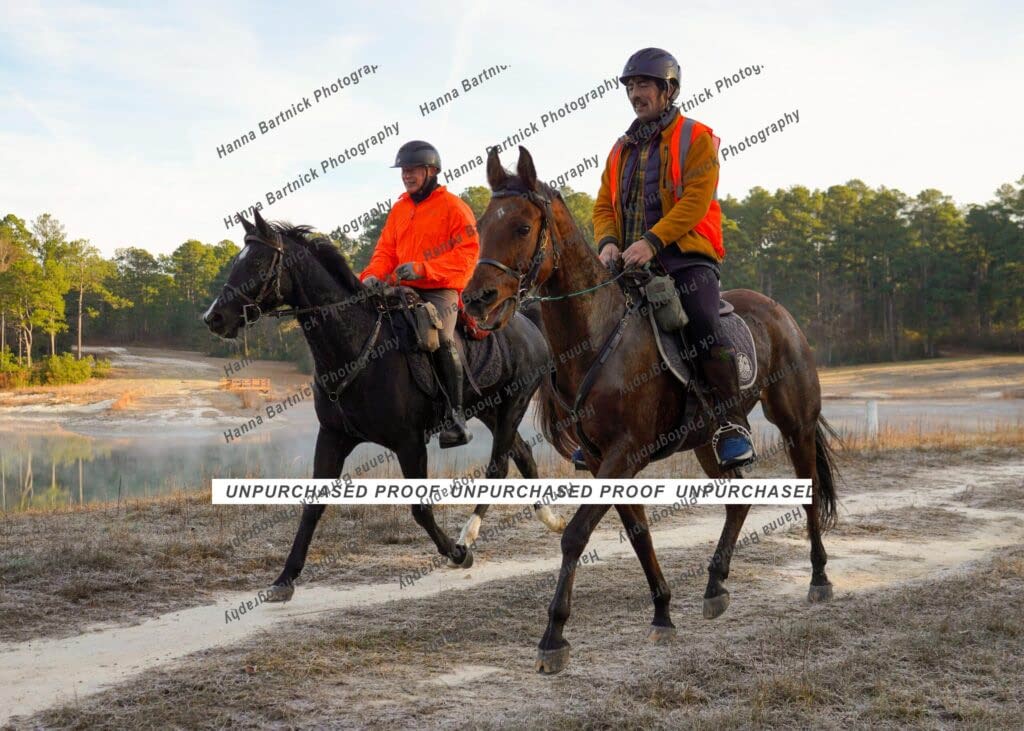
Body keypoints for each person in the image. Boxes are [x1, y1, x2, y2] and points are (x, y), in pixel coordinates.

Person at [589, 47, 755, 471]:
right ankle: (594, 428)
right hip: (629, 261)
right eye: (630, 86)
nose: (635, 94)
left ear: (669, 90)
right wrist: (607, 242)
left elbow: (696, 201)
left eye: (643, 84)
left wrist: (652, 241)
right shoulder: (619, 149)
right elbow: (603, 205)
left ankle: (731, 425)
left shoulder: (696, 137)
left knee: (702, 322)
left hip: (686, 258)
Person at [360, 140, 479, 447]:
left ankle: (456, 418)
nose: (406, 175)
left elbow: (467, 254)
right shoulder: (399, 209)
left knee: (439, 338)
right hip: (402, 288)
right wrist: (372, 276)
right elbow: (386, 252)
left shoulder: (454, 207)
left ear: (431, 171)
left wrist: (424, 269)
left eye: (412, 170)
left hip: (441, 289)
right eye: (403, 170)